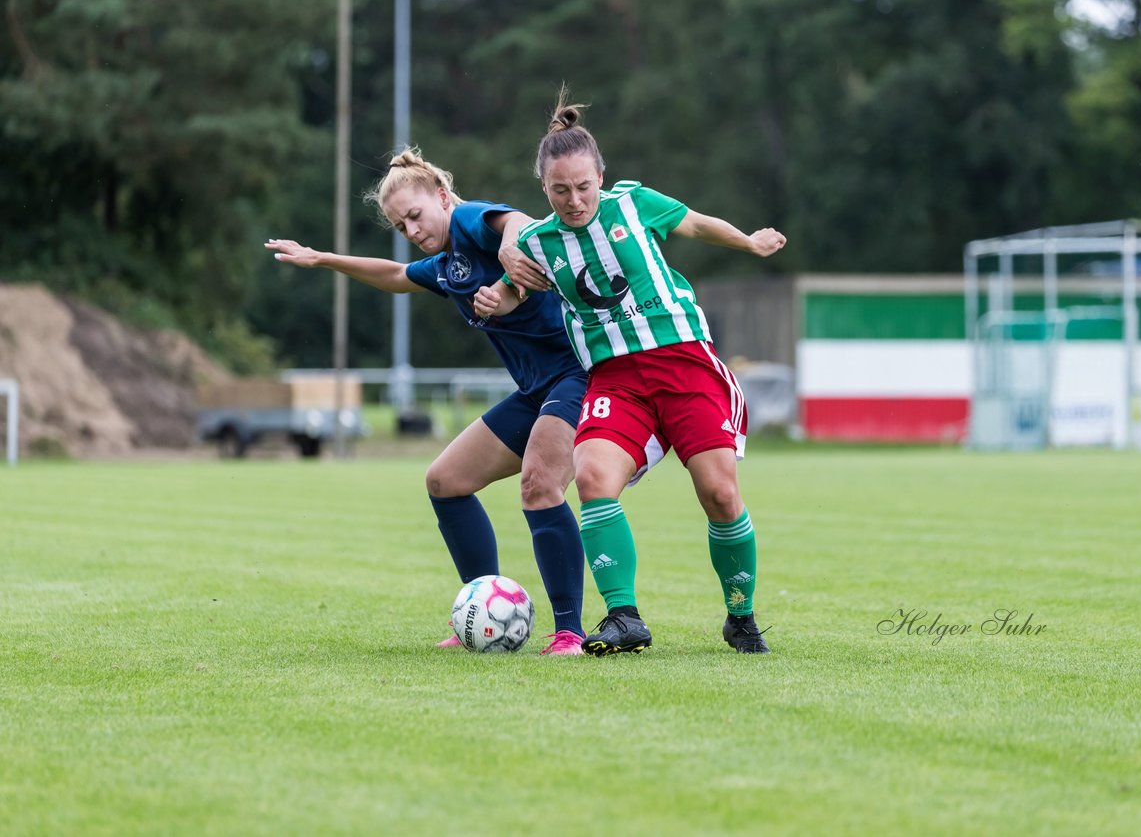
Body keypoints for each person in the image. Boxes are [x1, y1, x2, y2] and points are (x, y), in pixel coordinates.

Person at [475, 91, 787, 656]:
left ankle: (739, 617)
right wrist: (492, 299)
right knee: (593, 477)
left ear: (601, 176)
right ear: (543, 189)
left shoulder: (633, 203)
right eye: (559, 190)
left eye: (583, 186)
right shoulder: (539, 241)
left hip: (685, 365)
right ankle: (624, 618)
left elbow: (694, 224)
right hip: (616, 382)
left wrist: (747, 240)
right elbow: (511, 287)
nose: (574, 200)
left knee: (718, 493)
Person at [266, 148, 588, 655]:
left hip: (579, 375)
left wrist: (509, 248)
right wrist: (322, 258)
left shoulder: (467, 221)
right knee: (445, 481)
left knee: (540, 482)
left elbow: (519, 222)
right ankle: (487, 610)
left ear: (440, 197)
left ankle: (570, 631)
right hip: (535, 391)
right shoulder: (446, 268)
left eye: (415, 215)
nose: (412, 230)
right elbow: (395, 276)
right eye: (401, 226)